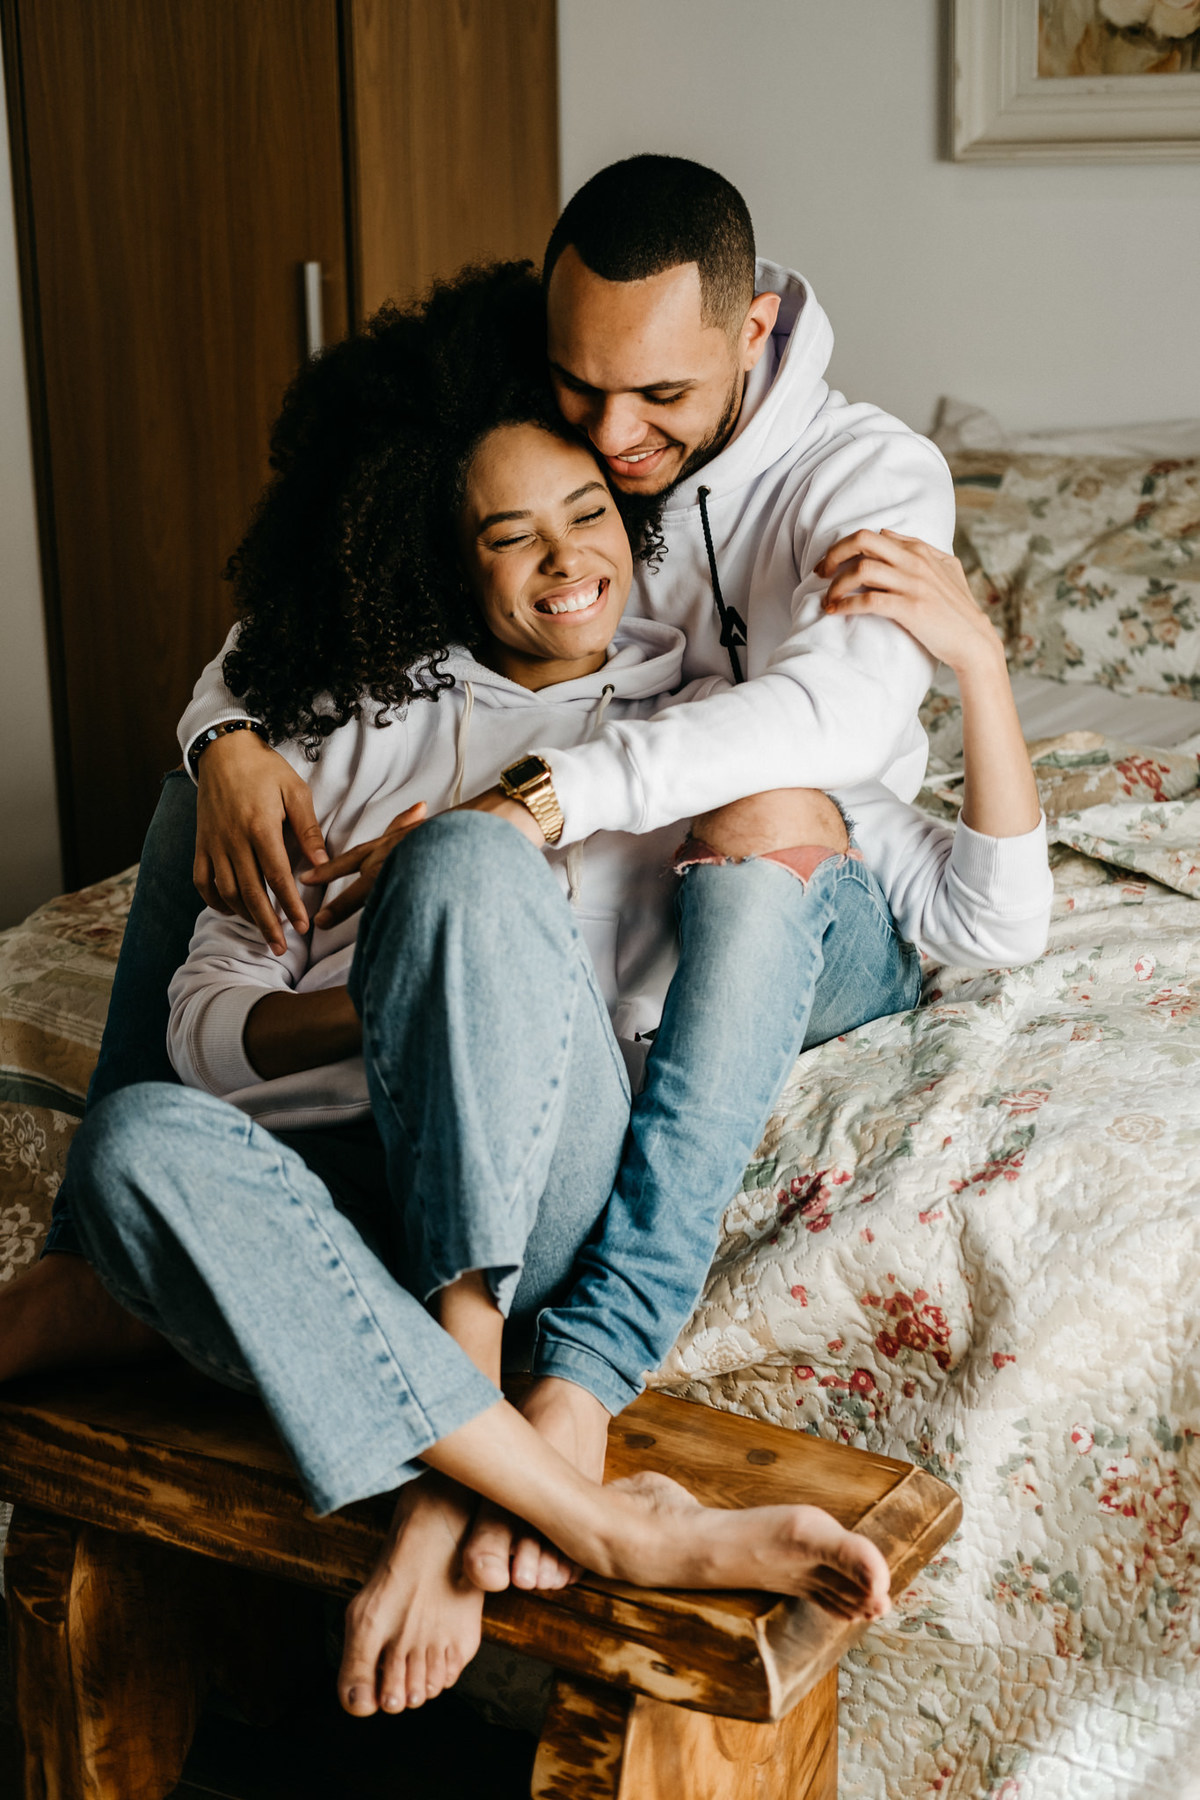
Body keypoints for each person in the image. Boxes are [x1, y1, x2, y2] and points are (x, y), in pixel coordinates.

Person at [60, 267, 1047, 1719]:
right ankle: (592, 1514)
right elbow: (207, 1034)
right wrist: (257, 790)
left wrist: (982, 669)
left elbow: (975, 912)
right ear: (446, 562)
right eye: (506, 536)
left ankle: (458, 1389)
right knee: (134, 1142)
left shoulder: (705, 718)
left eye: (591, 515)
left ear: (637, 531)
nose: (564, 559)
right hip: (338, 1172)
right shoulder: (348, 718)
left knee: (465, 863)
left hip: (537, 1175)